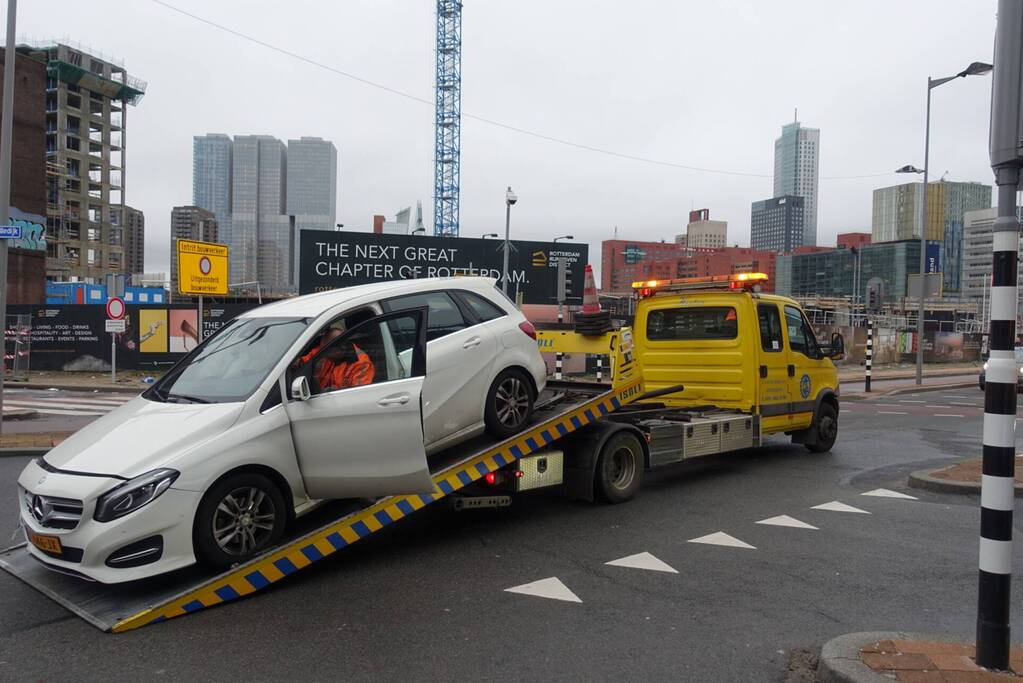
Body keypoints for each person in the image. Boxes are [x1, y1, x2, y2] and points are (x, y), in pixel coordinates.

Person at [298, 323, 375, 391]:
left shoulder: (361, 364)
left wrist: (333, 390)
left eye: (327, 350)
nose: (323, 354)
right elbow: (302, 362)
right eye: (323, 349)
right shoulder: (323, 351)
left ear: (342, 347)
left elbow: (359, 394)